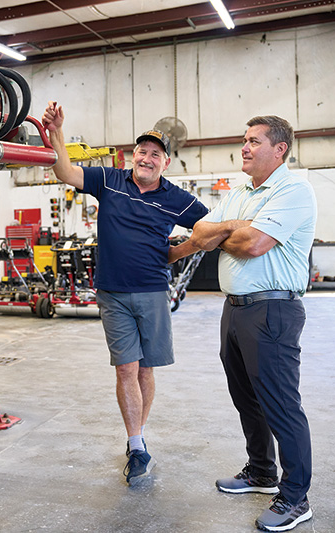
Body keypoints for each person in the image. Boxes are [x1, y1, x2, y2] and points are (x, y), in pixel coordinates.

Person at [41, 102, 208, 486]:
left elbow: (209, 229)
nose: (146, 158)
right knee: (126, 367)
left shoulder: (177, 199)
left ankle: (139, 435)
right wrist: (57, 132)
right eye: (142, 151)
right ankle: (136, 444)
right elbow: (65, 171)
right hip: (112, 293)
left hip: (152, 292)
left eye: (155, 154)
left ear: (165, 164)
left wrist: (177, 251)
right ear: (133, 155)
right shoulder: (110, 180)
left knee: (146, 369)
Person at [184, 115, 317, 531]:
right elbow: (200, 230)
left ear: (279, 149)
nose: (244, 147)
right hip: (235, 308)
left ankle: (296, 497)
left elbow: (254, 244)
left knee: (281, 404)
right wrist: (229, 226)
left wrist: (227, 234)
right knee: (246, 397)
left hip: (272, 310)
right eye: (244, 140)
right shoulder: (241, 192)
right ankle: (261, 471)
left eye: (254, 141)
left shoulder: (294, 190)